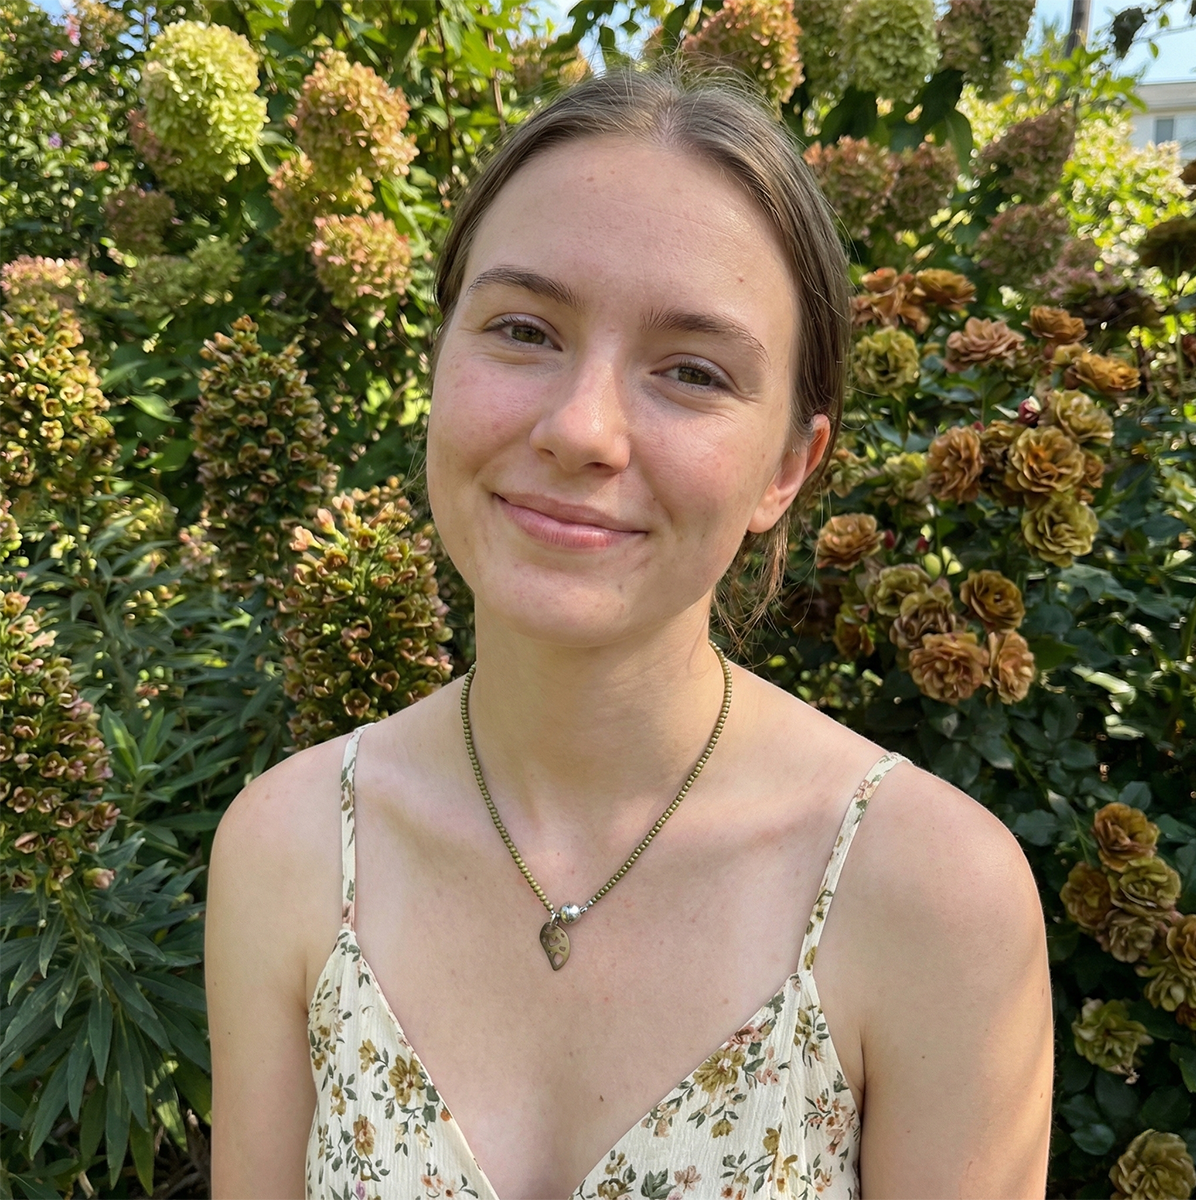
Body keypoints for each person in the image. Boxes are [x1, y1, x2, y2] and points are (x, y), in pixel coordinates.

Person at [205, 69, 1054, 1200]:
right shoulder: (294, 851)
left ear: (788, 468)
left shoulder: (932, 896)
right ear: (439, 360)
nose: (582, 429)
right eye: (522, 329)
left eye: (692, 371)